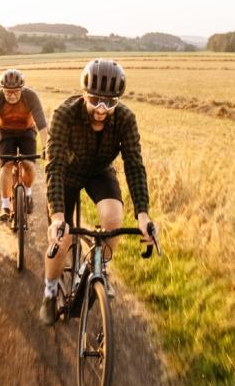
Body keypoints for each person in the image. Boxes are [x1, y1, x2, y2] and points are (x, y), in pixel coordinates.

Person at [41, 59, 155, 322]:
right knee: (61, 240)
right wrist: (57, 216)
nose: (102, 109)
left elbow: (134, 165)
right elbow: (54, 166)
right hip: (67, 173)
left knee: (114, 218)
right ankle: (49, 292)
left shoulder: (125, 119)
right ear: (84, 94)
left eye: (110, 102)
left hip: (99, 171)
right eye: (95, 100)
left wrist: (143, 215)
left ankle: (99, 269)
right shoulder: (64, 114)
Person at [0, 68, 49, 221]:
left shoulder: (31, 97)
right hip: (5, 132)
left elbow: (43, 126)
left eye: (16, 92)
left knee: (29, 164)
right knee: (7, 164)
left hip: (27, 131)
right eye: (7, 92)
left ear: (22, 89)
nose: (12, 95)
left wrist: (46, 147)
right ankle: (5, 205)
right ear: (2, 90)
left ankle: (28, 192)